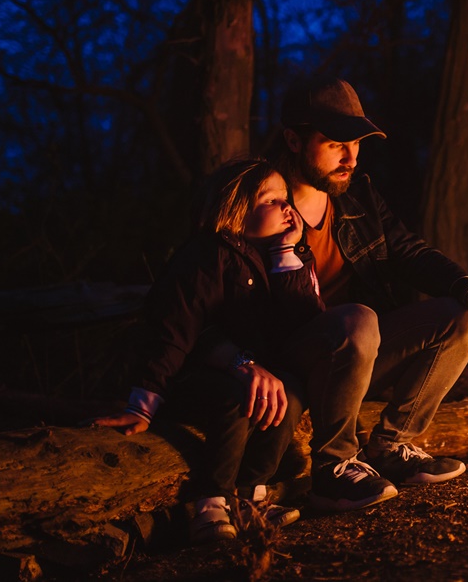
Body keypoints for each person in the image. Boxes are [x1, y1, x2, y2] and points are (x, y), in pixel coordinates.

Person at [267, 75, 468, 510]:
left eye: (357, 143)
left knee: (460, 318)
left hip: (358, 355)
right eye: (334, 144)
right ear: (293, 139)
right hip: (292, 358)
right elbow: (224, 292)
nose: (350, 157)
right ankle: (333, 468)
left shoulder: (357, 195)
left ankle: (389, 445)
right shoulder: (260, 201)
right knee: (358, 319)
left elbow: (410, 252)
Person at [93, 158, 337, 542]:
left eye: (287, 199)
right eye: (272, 200)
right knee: (238, 397)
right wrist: (141, 405)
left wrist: (285, 259)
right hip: (190, 377)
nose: (287, 207)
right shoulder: (209, 254)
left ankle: (251, 495)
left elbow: (305, 327)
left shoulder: (290, 257)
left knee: (288, 393)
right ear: (237, 208)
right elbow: (174, 330)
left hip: (259, 375)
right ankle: (211, 500)